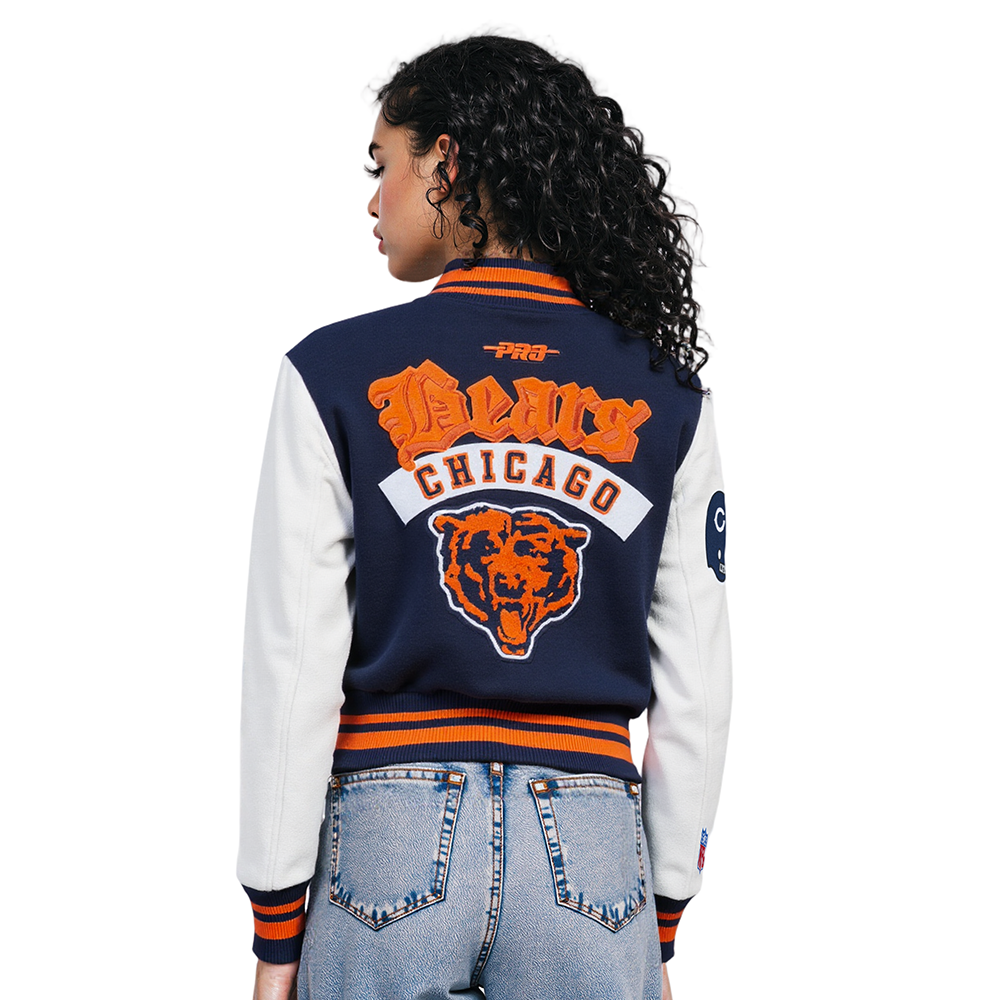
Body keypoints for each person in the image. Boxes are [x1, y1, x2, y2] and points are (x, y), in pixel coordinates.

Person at [238, 34, 732, 1000]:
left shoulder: (331, 372)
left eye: (383, 165)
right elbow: (699, 683)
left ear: (448, 162)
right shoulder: (670, 397)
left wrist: (275, 923)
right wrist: (662, 909)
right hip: (593, 844)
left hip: (386, 832)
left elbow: (291, 668)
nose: (373, 200)